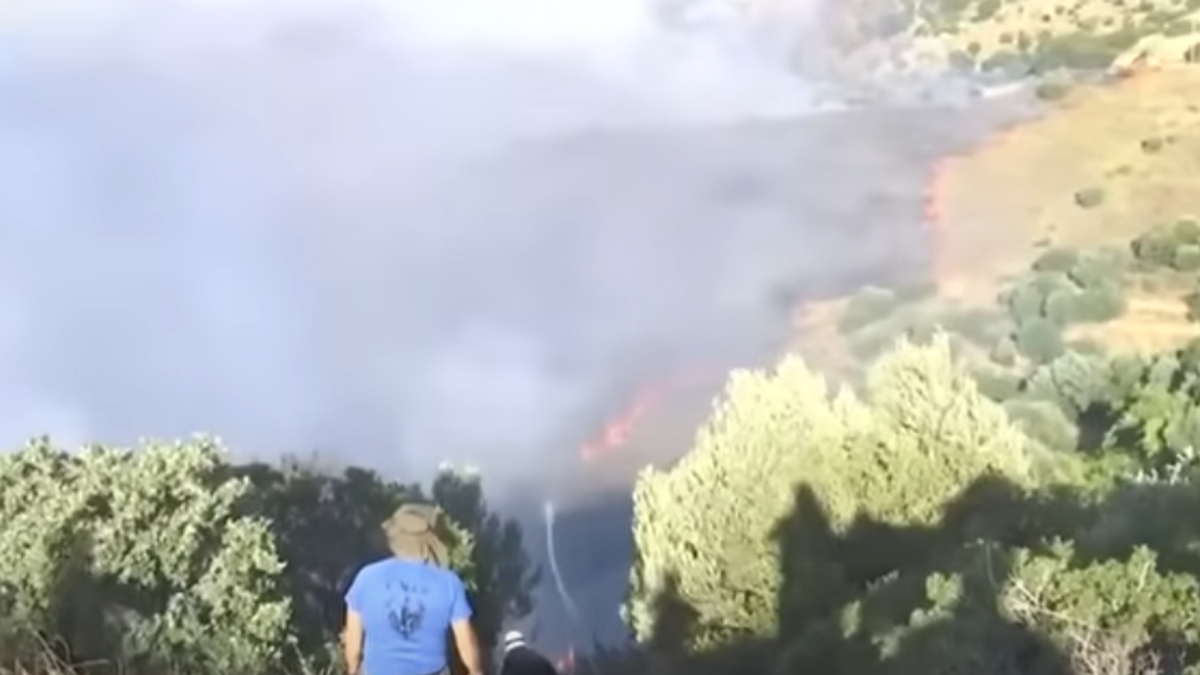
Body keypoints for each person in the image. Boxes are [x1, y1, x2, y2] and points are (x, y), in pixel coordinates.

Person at [342, 503, 485, 675]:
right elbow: (466, 645)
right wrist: (477, 671)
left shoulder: (366, 577)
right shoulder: (448, 582)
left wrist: (352, 670)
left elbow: (353, 645)